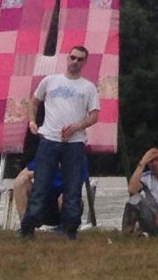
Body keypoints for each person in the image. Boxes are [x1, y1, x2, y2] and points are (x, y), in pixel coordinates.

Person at [20, 45, 100, 238]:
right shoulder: (50, 81)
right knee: (41, 183)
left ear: (85, 62)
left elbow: (94, 115)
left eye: (80, 59)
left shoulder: (88, 87)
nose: (75, 62)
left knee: (73, 186)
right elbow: (34, 101)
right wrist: (32, 121)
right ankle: (29, 226)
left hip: (75, 142)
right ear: (67, 58)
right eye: (73, 57)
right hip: (49, 138)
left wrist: (78, 125)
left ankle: (70, 228)